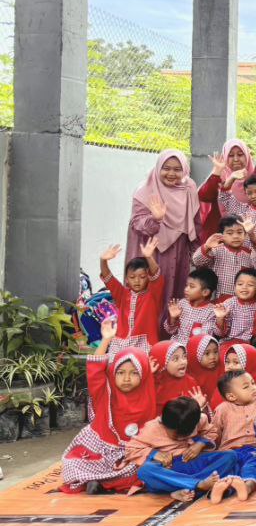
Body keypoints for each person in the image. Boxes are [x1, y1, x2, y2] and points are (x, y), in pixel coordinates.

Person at [60, 322, 156, 494]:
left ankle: (102, 483)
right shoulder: (106, 393)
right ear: (113, 373)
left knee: (146, 468)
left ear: (144, 375)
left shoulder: (148, 393)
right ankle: (97, 481)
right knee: (72, 465)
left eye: (134, 373)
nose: (126, 378)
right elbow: (95, 370)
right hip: (101, 450)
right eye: (120, 372)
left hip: (132, 452)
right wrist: (106, 340)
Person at [128, 150, 201, 316]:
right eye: (166, 168)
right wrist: (155, 219)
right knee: (151, 292)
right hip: (151, 250)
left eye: (177, 169)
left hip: (179, 250)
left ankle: (171, 336)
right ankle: (147, 335)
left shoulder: (189, 188)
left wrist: (197, 252)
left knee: (176, 293)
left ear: (185, 170)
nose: (171, 173)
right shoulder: (145, 190)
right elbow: (137, 223)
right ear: (158, 167)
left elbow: (196, 222)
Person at [124, 396, 238, 501]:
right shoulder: (152, 428)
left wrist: (200, 444)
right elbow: (131, 449)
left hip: (194, 463)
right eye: (174, 435)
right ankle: (199, 485)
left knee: (230, 456)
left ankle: (183, 488)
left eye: (184, 435)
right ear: (164, 423)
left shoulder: (200, 420)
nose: (179, 438)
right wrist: (155, 454)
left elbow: (212, 432)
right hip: (171, 470)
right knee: (145, 470)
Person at [207, 369, 256, 503]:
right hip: (232, 451)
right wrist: (204, 446)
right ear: (231, 396)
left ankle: (247, 487)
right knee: (231, 468)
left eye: (253, 383)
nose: (253, 388)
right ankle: (224, 488)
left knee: (254, 467)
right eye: (246, 387)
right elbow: (214, 433)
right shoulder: (223, 409)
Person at [99, 241, 164, 351]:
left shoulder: (153, 295)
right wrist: (103, 260)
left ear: (148, 277)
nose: (137, 281)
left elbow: (156, 274)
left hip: (146, 344)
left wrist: (149, 257)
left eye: (142, 276)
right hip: (120, 344)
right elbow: (108, 278)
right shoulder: (122, 294)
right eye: (132, 277)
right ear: (127, 280)